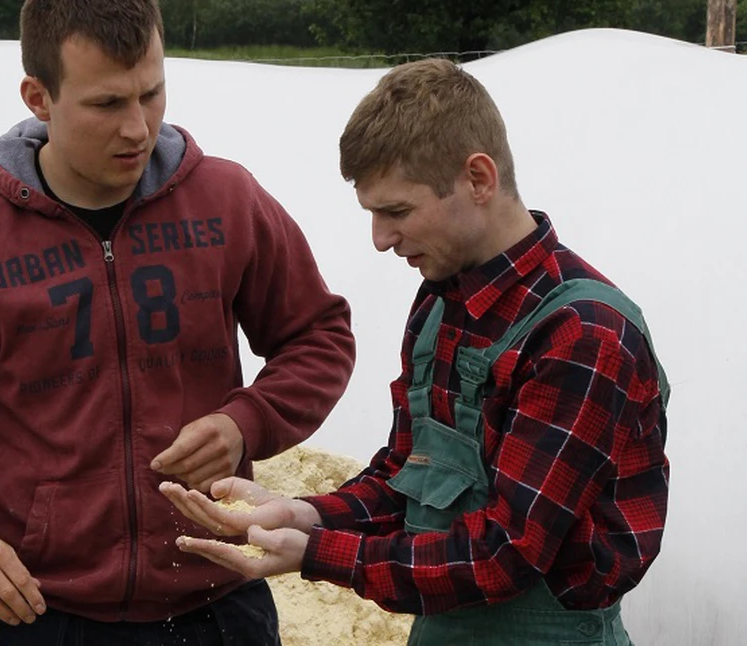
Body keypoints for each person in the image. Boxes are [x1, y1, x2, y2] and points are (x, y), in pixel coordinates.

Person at [0, 0, 355, 644]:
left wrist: (244, 422)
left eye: (152, 93)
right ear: (39, 97)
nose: (138, 128)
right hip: (37, 612)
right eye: (107, 104)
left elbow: (319, 336)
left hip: (219, 600)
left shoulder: (227, 201)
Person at [161, 58, 669, 646]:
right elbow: (407, 480)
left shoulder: (583, 334)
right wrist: (305, 514)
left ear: (479, 179)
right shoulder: (440, 306)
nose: (380, 239)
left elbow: (506, 555)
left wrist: (315, 553)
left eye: (396, 211)